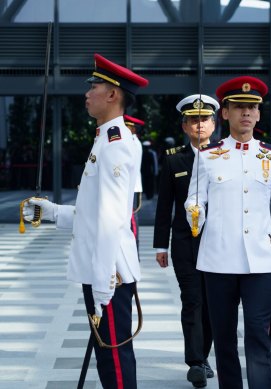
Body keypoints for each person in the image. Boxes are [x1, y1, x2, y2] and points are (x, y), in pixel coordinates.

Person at [23, 53, 148, 388]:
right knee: (108, 356)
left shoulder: (116, 145)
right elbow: (93, 214)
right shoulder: (103, 140)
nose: (87, 93)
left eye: (94, 86)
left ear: (113, 95)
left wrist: (104, 276)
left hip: (109, 270)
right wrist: (51, 211)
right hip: (102, 265)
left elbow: (112, 218)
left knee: (115, 358)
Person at [184, 76, 271, 389]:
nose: (246, 113)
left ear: (258, 114)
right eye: (238, 107)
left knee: (259, 338)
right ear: (225, 113)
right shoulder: (207, 156)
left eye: (251, 107)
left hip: (259, 262)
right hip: (218, 261)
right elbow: (195, 198)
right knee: (224, 339)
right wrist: (194, 211)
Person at [153, 94, 218, 387]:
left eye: (204, 119)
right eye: (194, 120)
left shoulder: (224, 155)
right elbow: (164, 204)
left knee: (212, 303)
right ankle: (195, 361)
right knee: (191, 299)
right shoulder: (174, 158)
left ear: (214, 124)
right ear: (184, 125)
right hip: (184, 241)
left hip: (218, 242)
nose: (200, 125)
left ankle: (203, 356)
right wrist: (159, 245)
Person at [124, 114, 144, 252]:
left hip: (131, 187)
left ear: (133, 129)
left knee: (131, 222)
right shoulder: (130, 141)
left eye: (126, 126)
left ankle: (134, 252)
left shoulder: (131, 142)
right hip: (129, 187)